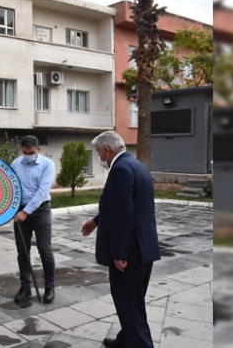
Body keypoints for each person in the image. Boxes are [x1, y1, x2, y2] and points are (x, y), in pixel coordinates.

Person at [80, 131, 160, 348]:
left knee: (129, 306)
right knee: (132, 302)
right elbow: (125, 204)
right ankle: (125, 340)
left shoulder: (121, 170)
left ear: (107, 150)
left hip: (130, 254)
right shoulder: (137, 166)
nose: (99, 157)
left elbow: (123, 215)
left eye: (98, 152)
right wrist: (97, 220)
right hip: (144, 248)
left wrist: (119, 254)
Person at [11, 135, 56, 304]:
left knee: (45, 249)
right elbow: (11, 186)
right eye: (24, 152)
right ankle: (25, 287)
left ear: (38, 150)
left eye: (31, 152)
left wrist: (27, 212)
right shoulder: (16, 164)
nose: (27, 155)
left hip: (40, 210)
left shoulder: (47, 165)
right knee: (22, 251)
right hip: (20, 210)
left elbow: (42, 191)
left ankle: (50, 287)